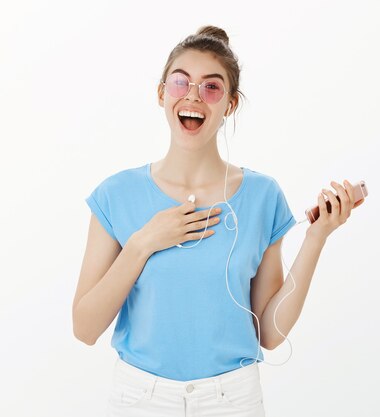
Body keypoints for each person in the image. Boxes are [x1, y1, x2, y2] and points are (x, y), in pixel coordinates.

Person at [72, 25, 364, 417]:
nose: (193, 96)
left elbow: (271, 333)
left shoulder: (262, 196)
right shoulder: (116, 194)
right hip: (141, 399)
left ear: (230, 104)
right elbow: (85, 329)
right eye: (180, 83)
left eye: (211, 87)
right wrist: (143, 243)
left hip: (232, 400)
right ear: (161, 94)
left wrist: (316, 238)